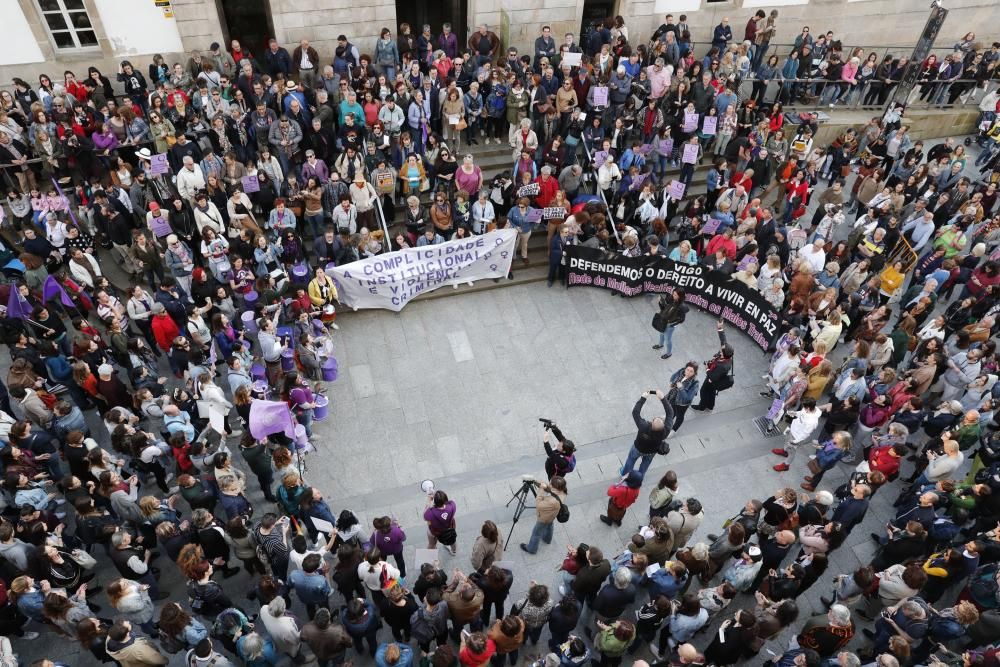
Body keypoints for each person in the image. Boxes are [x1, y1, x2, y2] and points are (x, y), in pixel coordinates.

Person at [620, 390, 673, 477]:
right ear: (664, 426)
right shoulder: (665, 431)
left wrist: (643, 398)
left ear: (652, 422)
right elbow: (670, 413)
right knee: (645, 464)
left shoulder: (643, 426)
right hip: (651, 451)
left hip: (637, 448)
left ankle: (625, 474)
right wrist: (663, 399)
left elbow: (635, 412)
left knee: (631, 460)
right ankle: (639, 476)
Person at [691, 322, 734, 412]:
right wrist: (720, 328)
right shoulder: (727, 355)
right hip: (716, 375)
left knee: (703, 391)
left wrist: (707, 367)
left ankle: (702, 407)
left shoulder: (723, 366)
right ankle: (710, 406)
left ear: (724, 354)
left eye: (721, 351)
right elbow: (723, 341)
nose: (720, 351)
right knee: (711, 392)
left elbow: (712, 376)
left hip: (713, 379)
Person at [519, 476, 567, 554]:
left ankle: (531, 549)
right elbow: (551, 490)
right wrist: (536, 481)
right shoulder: (562, 491)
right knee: (549, 526)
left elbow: (539, 505)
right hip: (552, 515)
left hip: (544, 518)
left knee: (536, 533)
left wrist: (541, 490)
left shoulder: (552, 501)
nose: (549, 484)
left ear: (555, 488)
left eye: (550, 484)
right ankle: (547, 539)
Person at [652, 289, 689, 359]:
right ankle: (660, 344)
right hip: (664, 320)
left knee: (668, 339)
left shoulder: (681, 307)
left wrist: (671, 324)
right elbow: (665, 308)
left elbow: (682, 319)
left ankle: (669, 353)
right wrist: (661, 302)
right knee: (661, 333)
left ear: (680, 296)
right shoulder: (671, 299)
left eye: (675, 295)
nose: (673, 295)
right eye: (673, 294)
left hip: (669, 324)